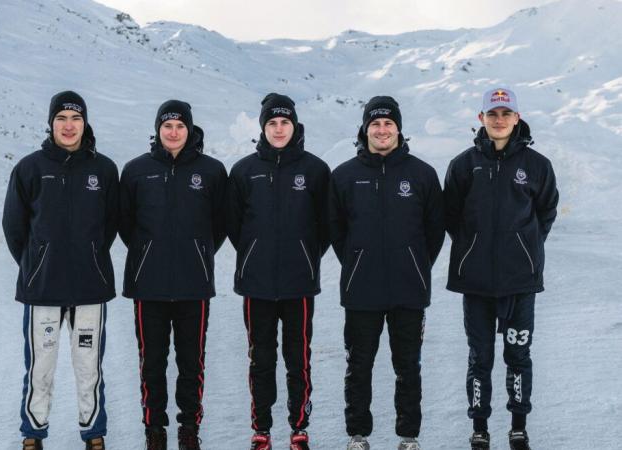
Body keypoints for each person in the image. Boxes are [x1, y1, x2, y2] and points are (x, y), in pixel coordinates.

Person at [2, 91, 118, 450]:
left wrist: (93, 256)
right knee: (40, 368)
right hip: (44, 289)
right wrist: (36, 263)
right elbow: (14, 226)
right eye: (62, 119)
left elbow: (111, 224)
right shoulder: (30, 168)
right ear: (51, 124)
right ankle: (33, 435)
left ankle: (93, 433)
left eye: (76, 119)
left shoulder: (103, 169)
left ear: (85, 123)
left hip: (89, 287)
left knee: (89, 367)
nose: (69, 127)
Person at [444, 88, 558, 450]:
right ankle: (480, 426)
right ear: (481, 118)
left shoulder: (537, 165)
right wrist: (473, 247)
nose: (499, 120)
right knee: (480, 357)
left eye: (506, 114)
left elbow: (546, 212)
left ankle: (518, 425)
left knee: (518, 355)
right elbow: (451, 215)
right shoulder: (464, 165)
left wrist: (525, 246)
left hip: (520, 282)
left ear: (517, 118)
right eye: (492, 114)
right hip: (476, 283)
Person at [328, 96, 445, 450]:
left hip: (409, 290)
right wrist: (357, 259)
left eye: (388, 124)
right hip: (361, 290)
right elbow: (336, 231)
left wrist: (415, 262)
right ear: (365, 129)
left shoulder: (421, 174)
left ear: (398, 128)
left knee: (408, 366)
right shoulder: (344, 175)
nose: (381, 130)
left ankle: (408, 436)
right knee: (358, 366)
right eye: (375, 124)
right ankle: (358, 434)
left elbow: (434, 230)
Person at [119, 100, 227, 450]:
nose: (174, 132)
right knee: (151, 361)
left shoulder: (211, 171)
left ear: (190, 129)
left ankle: (188, 427)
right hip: (147, 284)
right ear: (158, 130)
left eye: (180, 126)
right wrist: (147, 251)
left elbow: (221, 224)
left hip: (193, 284)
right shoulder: (136, 170)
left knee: (190, 362)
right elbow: (124, 223)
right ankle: (154, 428)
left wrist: (199, 250)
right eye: (167, 126)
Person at [226, 93, 330, 450]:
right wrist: (254, 252)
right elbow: (232, 223)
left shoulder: (315, 170)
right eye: (272, 123)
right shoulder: (244, 171)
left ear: (294, 126)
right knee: (261, 357)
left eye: (284, 122)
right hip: (256, 284)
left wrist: (306, 255)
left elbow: (326, 224)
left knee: (297, 357)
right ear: (263, 127)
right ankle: (262, 427)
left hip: (299, 283)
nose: (279, 128)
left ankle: (299, 426)